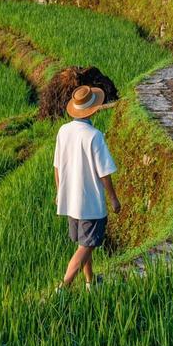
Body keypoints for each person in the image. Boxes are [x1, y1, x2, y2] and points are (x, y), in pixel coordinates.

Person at [54, 85, 121, 292]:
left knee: (84, 243)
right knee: (87, 245)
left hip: (70, 200)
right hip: (90, 202)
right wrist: (113, 199)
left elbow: (57, 166)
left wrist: (59, 193)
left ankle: (90, 282)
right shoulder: (94, 136)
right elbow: (104, 173)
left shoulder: (63, 131)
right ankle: (63, 287)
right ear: (93, 109)